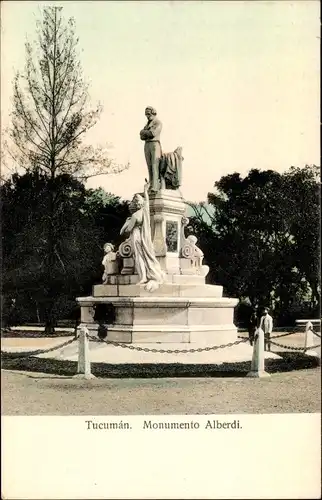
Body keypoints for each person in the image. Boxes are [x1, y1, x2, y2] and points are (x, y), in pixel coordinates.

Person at [120, 179, 164, 291]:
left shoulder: (135, 216)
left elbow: (126, 231)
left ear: (135, 204)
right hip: (144, 236)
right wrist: (146, 190)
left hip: (136, 235)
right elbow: (147, 202)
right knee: (145, 256)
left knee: (139, 257)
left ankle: (143, 277)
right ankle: (146, 276)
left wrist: (126, 223)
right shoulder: (144, 211)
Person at [140, 107, 162, 192]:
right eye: (146, 114)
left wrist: (142, 132)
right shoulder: (147, 125)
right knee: (149, 166)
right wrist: (144, 133)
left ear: (153, 113)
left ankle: (155, 186)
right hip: (147, 144)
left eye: (148, 114)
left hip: (155, 144)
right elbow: (142, 137)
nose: (147, 116)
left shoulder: (158, 123)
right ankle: (151, 184)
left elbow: (153, 133)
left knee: (154, 165)